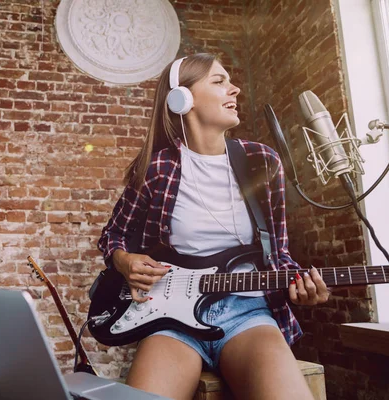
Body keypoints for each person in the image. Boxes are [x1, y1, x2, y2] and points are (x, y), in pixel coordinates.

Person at [96, 53, 330, 400]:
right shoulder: (158, 168)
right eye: (219, 81)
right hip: (173, 322)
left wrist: (303, 286)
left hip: (248, 312)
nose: (234, 88)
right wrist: (124, 261)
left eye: (230, 80)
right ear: (182, 98)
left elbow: (278, 252)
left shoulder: (261, 161)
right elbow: (112, 236)